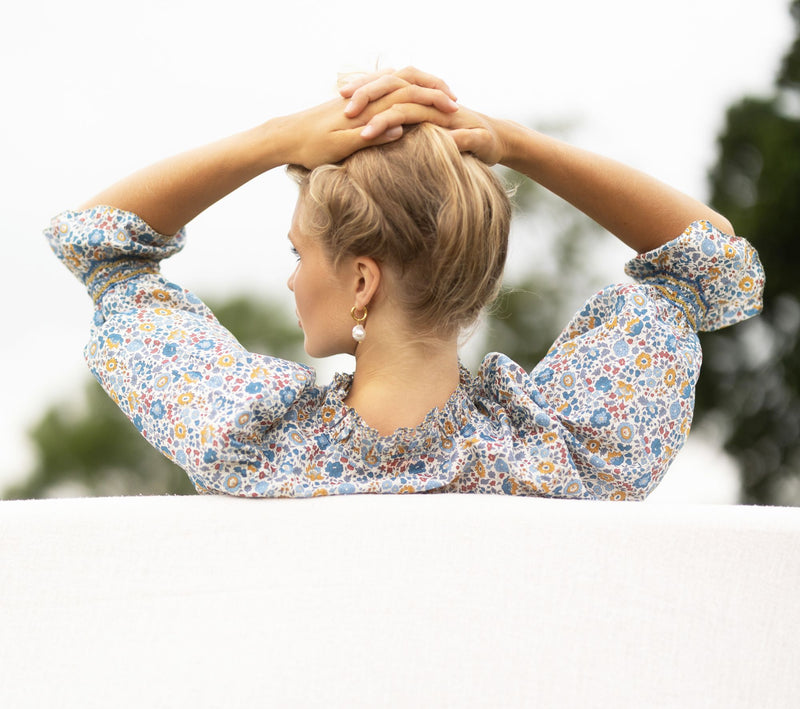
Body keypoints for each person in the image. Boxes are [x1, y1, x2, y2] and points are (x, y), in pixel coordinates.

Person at [44, 67, 764, 499]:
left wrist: (275, 138)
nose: (292, 282)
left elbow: (101, 246)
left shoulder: (257, 443)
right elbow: (708, 265)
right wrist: (512, 143)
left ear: (361, 279)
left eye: (298, 254)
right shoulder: (561, 452)